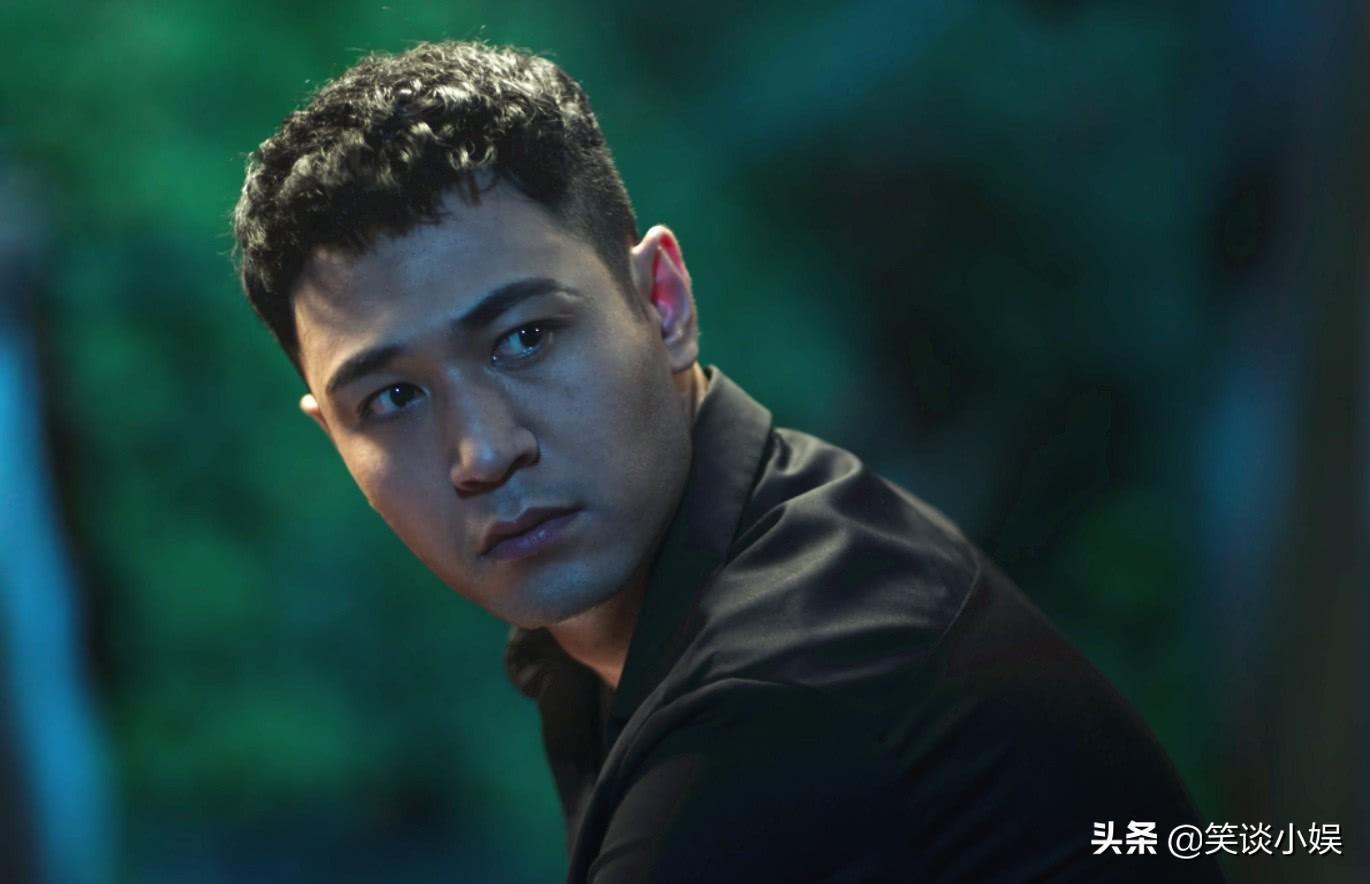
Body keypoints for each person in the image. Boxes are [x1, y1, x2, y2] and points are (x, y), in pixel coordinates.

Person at [232, 40, 1225, 883]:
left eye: (525, 338)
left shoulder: (779, 698)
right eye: (392, 399)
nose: (483, 452)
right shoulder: (701, 593)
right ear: (334, 438)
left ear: (661, 302)